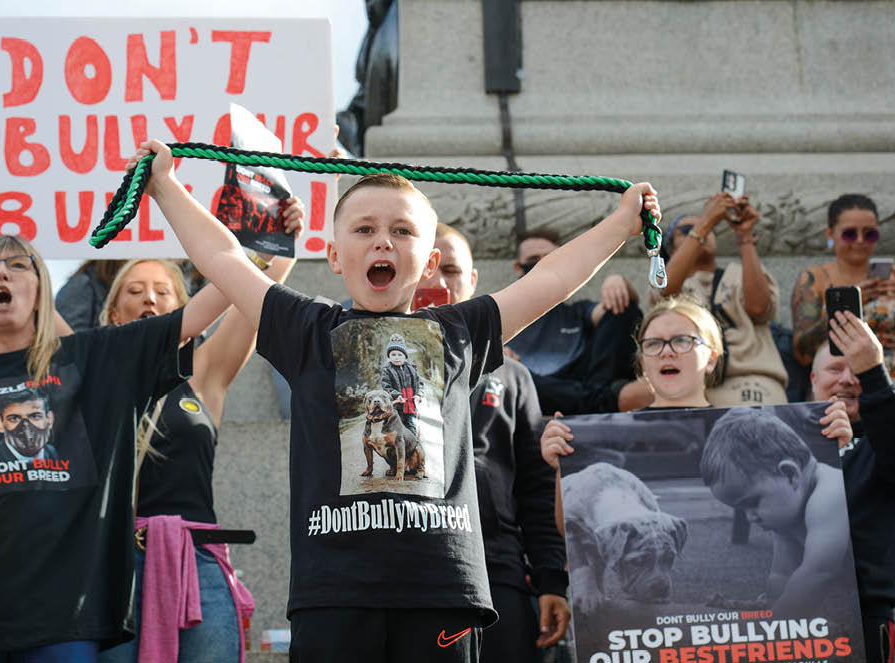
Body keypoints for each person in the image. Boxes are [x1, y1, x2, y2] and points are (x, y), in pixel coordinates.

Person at [130, 137, 660, 662]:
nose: (383, 241)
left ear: (429, 263)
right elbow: (224, 256)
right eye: (364, 229)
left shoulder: (460, 331)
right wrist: (165, 186)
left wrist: (622, 225)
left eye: (402, 230)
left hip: (442, 591)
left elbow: (552, 280)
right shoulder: (307, 328)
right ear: (335, 256)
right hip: (333, 594)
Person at [0, 233, 241, 661]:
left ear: (41, 292)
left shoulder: (92, 358)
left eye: (19, 265)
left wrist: (252, 238)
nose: (2, 272)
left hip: (67, 619)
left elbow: (208, 304)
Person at [96, 226, 299, 662]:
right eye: (135, 290)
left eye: (163, 292)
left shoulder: (203, 374)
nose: (150, 299)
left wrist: (282, 226)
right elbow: (30, 319)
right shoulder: (87, 375)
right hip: (110, 567)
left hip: (198, 562)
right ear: (114, 313)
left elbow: (262, 287)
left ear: (188, 310)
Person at [541, 297, 849, 534]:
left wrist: (837, 447)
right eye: (653, 344)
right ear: (642, 362)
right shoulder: (595, 433)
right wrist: (561, 467)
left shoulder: (752, 430)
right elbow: (570, 529)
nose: (667, 351)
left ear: (712, 359)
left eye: (682, 341)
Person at [416, 223, 569, 661]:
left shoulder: (512, 374)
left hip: (495, 571)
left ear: (474, 281)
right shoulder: (376, 363)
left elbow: (536, 487)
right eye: (430, 268)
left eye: (452, 270)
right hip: (403, 574)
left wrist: (551, 581)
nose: (440, 282)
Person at [700, 407, 852, 615]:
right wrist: (773, 608)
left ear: (790, 475)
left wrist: (779, 627)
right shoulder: (786, 515)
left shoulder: (831, 494)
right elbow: (782, 574)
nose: (750, 517)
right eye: (741, 509)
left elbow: (818, 573)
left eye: (752, 502)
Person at [811, 311, 895, 663]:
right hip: (797, 626)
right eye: (835, 370)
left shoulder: (883, 445)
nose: (847, 379)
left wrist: (874, 376)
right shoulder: (779, 440)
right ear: (813, 378)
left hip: (872, 622)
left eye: (856, 370)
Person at [650, 193, 787, 407]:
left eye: (712, 229)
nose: (704, 232)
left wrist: (745, 237)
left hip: (757, 385)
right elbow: (664, 289)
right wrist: (705, 222)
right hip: (698, 391)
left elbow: (759, 308)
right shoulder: (672, 284)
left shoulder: (743, 274)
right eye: (686, 231)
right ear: (671, 248)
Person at [505, 227, 644, 414]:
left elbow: (618, 312)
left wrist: (618, 281)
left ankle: (599, 399)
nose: (542, 264)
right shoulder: (504, 315)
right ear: (518, 268)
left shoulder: (576, 312)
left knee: (623, 310)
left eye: (549, 258)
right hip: (533, 389)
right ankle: (603, 401)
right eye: (533, 260)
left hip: (582, 382)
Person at [792, 194, 895, 376]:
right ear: (830, 234)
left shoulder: (892, 276)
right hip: (840, 380)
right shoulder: (814, 279)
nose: (860, 240)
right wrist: (847, 310)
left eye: (869, 233)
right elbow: (802, 354)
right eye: (850, 234)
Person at [0, 388, 59, 461]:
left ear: (49, 419)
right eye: (14, 418)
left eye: (35, 416)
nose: (26, 426)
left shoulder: (58, 454)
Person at [381, 332, 422, 437]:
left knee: (411, 425)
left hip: (410, 404)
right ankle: (397, 447)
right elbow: (386, 387)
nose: (397, 357)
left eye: (400, 355)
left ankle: (413, 444)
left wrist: (418, 395)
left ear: (405, 356)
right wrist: (397, 395)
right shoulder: (387, 370)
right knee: (397, 427)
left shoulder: (411, 368)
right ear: (389, 357)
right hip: (397, 405)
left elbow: (419, 383)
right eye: (393, 355)